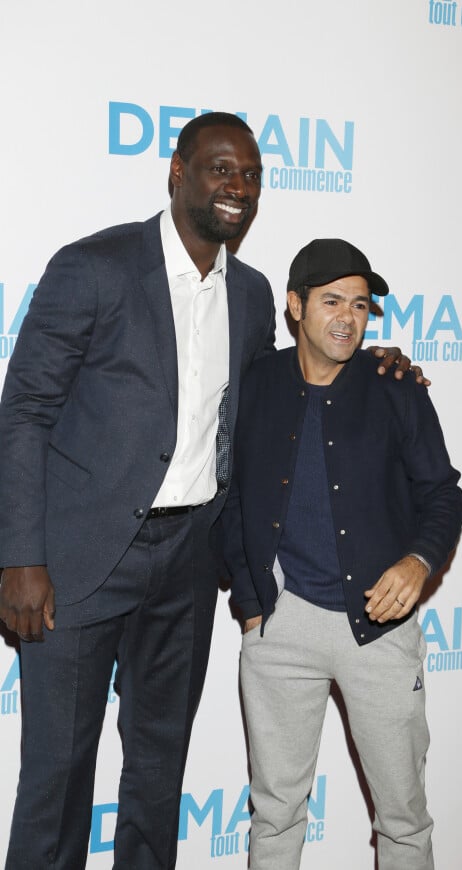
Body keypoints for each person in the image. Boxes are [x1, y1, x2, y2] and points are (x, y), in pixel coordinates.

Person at [0, 115, 419, 869]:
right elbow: (25, 410)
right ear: (177, 172)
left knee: (160, 775)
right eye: (221, 169)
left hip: (188, 566)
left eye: (251, 176)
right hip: (78, 564)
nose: (237, 188)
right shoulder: (92, 266)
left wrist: (375, 363)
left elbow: (278, 393)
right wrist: (21, 556)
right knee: (56, 778)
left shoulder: (254, 295)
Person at [221, 239, 462, 870]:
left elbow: (443, 495)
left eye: (360, 305)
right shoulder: (256, 384)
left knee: (403, 816)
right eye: (332, 301)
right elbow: (230, 496)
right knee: (275, 812)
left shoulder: (396, 387)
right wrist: (252, 606)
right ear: (295, 306)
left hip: (378, 630)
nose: (348, 318)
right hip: (282, 624)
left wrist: (418, 561)